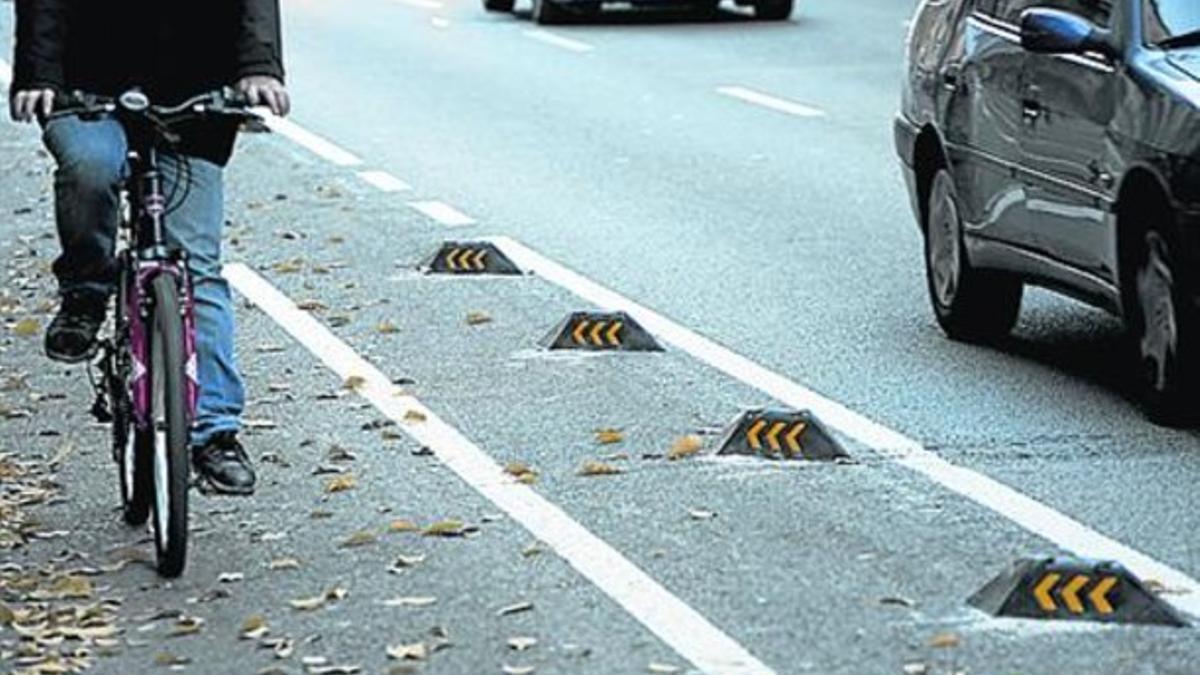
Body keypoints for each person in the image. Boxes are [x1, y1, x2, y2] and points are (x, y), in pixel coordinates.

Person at [9, 1, 290, 495]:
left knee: (197, 269)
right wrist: (39, 75)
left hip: (193, 95)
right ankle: (86, 291)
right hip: (84, 87)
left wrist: (259, 68)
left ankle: (214, 434)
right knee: (92, 170)